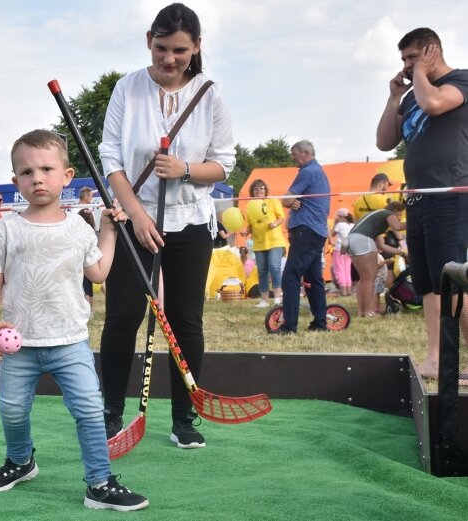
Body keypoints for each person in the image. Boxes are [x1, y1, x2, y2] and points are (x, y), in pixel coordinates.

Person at [0, 130, 148, 511]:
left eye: (46, 169)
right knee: (12, 408)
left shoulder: (79, 227)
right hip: (20, 343)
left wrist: (108, 231)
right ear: (14, 181)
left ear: (67, 175)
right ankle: (21, 461)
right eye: (26, 171)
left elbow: (100, 272)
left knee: (89, 409)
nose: (37, 178)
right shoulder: (8, 228)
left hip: (70, 341)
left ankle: (100, 483)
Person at [98, 3, 235, 448]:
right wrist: (135, 215)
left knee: (184, 320)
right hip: (134, 218)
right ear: (148, 42)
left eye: (179, 50)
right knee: (123, 316)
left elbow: (224, 165)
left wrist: (185, 169)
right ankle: (110, 412)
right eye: (161, 48)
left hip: (190, 221)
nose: (169, 58)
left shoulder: (210, 93)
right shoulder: (127, 88)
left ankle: (184, 418)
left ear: (196, 47)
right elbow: (111, 159)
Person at [375, 27, 468, 379]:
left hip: (450, 194)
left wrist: (418, 76)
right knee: (429, 281)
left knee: (452, 280)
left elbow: (436, 103)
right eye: (403, 60)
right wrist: (394, 98)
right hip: (417, 197)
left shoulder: (459, 81)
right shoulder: (413, 94)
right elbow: (385, 141)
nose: (407, 65)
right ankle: (436, 357)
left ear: (432, 51)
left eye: (413, 57)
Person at [273, 141, 330, 334]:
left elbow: (285, 199)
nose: (292, 157)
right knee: (314, 279)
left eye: (294, 153)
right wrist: (293, 202)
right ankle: (320, 323)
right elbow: (290, 201)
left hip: (306, 230)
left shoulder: (308, 172)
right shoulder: (318, 171)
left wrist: (291, 202)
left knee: (290, 276)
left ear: (306, 153)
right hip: (316, 231)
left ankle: (289, 326)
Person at [346, 202, 407, 317]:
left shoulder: (377, 217)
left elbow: (382, 246)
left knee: (363, 279)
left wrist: (400, 252)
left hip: (350, 240)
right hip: (362, 240)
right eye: (400, 215)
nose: (399, 218)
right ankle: (370, 312)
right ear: (396, 210)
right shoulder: (388, 214)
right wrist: (417, 221)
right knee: (370, 278)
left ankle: (362, 311)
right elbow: (398, 226)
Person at [245, 179, 287, 308]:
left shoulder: (273, 201)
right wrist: (245, 231)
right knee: (262, 271)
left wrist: (274, 224)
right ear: (252, 192)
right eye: (256, 189)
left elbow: (282, 217)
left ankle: (278, 298)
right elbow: (250, 225)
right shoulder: (250, 205)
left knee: (274, 268)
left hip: (275, 241)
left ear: (265, 190)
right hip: (259, 242)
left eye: (261, 188)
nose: (259, 191)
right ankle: (264, 300)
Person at [76, 186, 97, 310]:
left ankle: (89, 310)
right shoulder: (76, 210)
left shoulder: (84, 210)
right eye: (90, 196)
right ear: (85, 196)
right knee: (86, 282)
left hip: (87, 247)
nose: (91, 199)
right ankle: (89, 310)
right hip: (82, 247)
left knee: (87, 282)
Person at [331, 208, 354, 296]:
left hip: (340, 247)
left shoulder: (340, 224)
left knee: (339, 269)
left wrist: (335, 223)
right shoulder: (352, 224)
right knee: (347, 269)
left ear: (340, 217)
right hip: (349, 247)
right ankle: (348, 290)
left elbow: (332, 234)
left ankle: (343, 291)